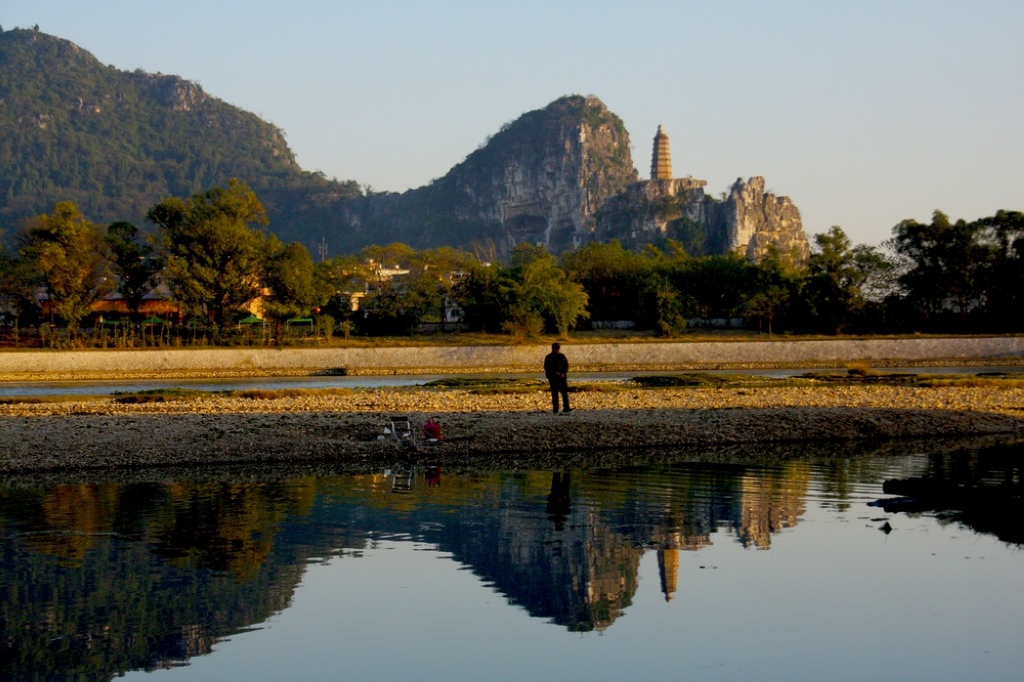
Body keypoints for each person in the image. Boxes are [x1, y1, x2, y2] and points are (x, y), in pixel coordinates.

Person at [543, 342, 571, 414]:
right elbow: (547, 368)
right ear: (553, 349)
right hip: (553, 379)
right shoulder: (549, 357)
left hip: (562, 378)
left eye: (558, 349)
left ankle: (566, 408)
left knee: (564, 393)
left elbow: (566, 365)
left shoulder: (562, 356)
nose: (557, 350)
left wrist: (563, 373)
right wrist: (555, 373)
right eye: (556, 349)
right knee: (554, 394)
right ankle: (555, 409)